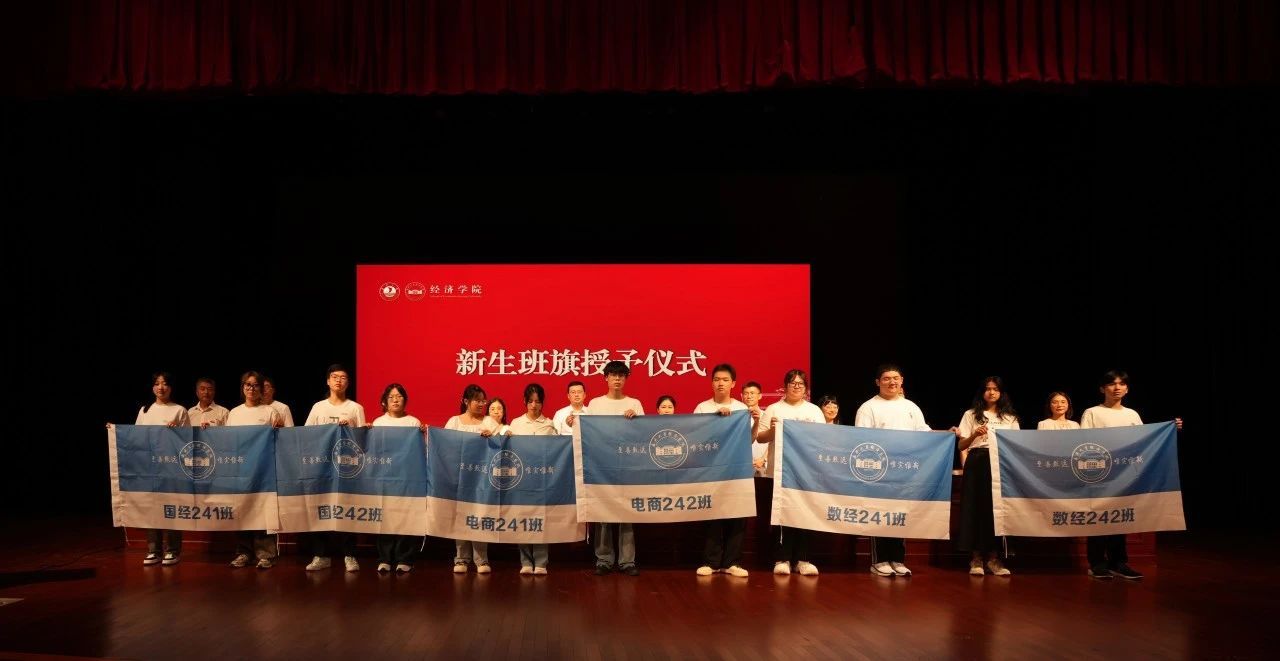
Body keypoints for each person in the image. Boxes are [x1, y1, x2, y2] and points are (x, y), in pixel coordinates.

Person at [1079, 370, 1183, 580]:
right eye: (1112, 384)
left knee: (1120, 518)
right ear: (1102, 389)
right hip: (1101, 474)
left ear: (1127, 389)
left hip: (1125, 475)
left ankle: (1118, 563)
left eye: (1121, 384)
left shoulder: (1132, 414)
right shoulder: (1092, 412)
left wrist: (1170, 429)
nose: (1117, 388)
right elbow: (1083, 442)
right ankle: (1097, 563)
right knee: (1098, 517)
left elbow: (1146, 441)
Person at [853, 364, 932, 578]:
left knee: (899, 513)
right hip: (878, 470)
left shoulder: (911, 407)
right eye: (886, 378)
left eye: (895, 378)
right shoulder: (868, 407)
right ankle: (879, 560)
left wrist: (945, 435)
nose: (892, 382)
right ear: (878, 382)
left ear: (902, 381)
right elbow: (862, 440)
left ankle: (897, 559)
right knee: (879, 513)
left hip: (904, 470)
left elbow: (924, 433)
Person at [755, 369, 825, 576]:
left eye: (800, 383)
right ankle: (782, 558)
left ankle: (802, 559)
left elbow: (823, 438)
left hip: (806, 473)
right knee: (781, 515)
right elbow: (760, 438)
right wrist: (773, 430)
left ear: (806, 388)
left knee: (804, 514)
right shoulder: (774, 409)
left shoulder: (814, 411)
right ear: (785, 387)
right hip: (779, 472)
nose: (796, 386)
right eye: (792, 383)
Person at [303, 364, 367, 572]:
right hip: (322, 467)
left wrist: (352, 429)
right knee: (320, 509)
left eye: (343, 377)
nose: (339, 380)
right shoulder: (318, 407)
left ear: (348, 382)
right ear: (328, 381)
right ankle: (321, 555)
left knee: (347, 509)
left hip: (347, 467)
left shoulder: (356, 408)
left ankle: (350, 555)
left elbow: (363, 440)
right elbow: (308, 435)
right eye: (334, 377)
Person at [585, 360, 644, 576]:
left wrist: (636, 420)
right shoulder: (595, 404)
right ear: (606, 378)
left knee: (626, 513)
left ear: (626, 379)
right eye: (613, 375)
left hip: (627, 465)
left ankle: (627, 561)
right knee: (603, 512)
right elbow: (588, 433)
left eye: (621, 375)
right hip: (602, 464)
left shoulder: (635, 403)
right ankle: (604, 559)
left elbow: (642, 435)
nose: (617, 379)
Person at [955, 377, 1019, 577]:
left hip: (1001, 463)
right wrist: (974, 435)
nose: (991, 392)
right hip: (978, 461)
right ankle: (975, 558)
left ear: (1001, 393)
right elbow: (961, 445)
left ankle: (994, 558)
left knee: (996, 511)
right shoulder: (971, 414)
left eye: (996, 389)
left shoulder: (1010, 417)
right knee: (975, 508)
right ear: (982, 392)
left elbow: (1016, 445)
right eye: (988, 389)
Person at [692, 364, 750, 578]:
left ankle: (732, 562)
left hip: (737, 469)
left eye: (725, 380)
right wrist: (715, 420)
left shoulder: (741, 409)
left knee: (737, 514)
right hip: (710, 470)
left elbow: (749, 439)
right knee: (712, 514)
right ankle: (711, 562)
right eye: (716, 379)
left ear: (733, 383)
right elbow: (696, 438)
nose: (720, 383)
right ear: (711, 382)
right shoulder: (702, 408)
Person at [130, 372, 190, 566]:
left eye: (164, 384)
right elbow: (136, 437)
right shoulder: (145, 410)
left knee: (171, 508)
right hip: (149, 467)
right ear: (152, 387)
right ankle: (153, 550)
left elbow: (188, 441)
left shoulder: (179, 410)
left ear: (170, 387)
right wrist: (114, 431)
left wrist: (177, 431)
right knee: (152, 508)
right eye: (157, 384)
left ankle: (172, 550)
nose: (161, 387)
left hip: (171, 467)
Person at [226, 370, 282, 569]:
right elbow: (228, 441)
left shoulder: (270, 411)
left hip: (264, 470)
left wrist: (279, 428)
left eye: (255, 385)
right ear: (243, 388)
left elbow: (280, 440)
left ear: (261, 389)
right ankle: (244, 552)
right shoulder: (234, 413)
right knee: (242, 511)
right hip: (240, 469)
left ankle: (266, 554)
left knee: (262, 511)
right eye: (247, 385)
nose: (251, 388)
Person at [445, 384, 500, 573]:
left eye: (483, 400)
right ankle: (461, 559)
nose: (481, 404)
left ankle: (482, 559)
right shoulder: (454, 422)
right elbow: (445, 445)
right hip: (459, 476)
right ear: (466, 401)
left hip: (482, 478)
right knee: (460, 515)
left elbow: (501, 444)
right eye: (477, 400)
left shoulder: (489, 421)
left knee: (480, 515)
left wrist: (492, 437)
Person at [370, 383, 423, 574]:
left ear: (405, 400)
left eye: (399, 396)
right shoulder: (378, 423)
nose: (395, 400)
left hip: (407, 477)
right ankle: (385, 558)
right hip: (384, 477)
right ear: (384, 401)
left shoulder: (413, 423)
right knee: (385, 517)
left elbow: (419, 451)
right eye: (391, 397)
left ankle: (405, 558)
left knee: (406, 517)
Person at [509, 383, 557, 575]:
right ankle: (525, 561)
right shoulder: (516, 423)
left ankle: (541, 562)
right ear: (525, 401)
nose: (534, 405)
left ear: (542, 402)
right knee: (522, 518)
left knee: (540, 519)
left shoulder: (549, 424)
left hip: (542, 480)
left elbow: (556, 451)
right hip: (521, 479)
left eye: (537, 401)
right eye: (530, 401)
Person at [741, 381, 768, 476]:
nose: (749, 396)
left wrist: (763, 459)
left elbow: (774, 441)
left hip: (763, 466)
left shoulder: (767, 416)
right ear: (741, 396)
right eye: (746, 393)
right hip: (742, 465)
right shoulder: (737, 418)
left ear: (760, 396)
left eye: (752, 393)